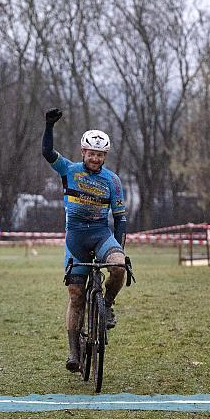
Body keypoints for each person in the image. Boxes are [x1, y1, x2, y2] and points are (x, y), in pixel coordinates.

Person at [42, 108, 127, 373]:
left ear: (105, 156)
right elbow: (47, 153)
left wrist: (119, 249)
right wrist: (49, 126)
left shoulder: (112, 181)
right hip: (76, 240)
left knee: (119, 267)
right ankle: (73, 353)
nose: (95, 158)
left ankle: (108, 305)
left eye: (100, 155)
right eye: (91, 153)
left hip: (101, 235)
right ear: (83, 152)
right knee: (77, 296)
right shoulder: (69, 170)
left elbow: (120, 220)